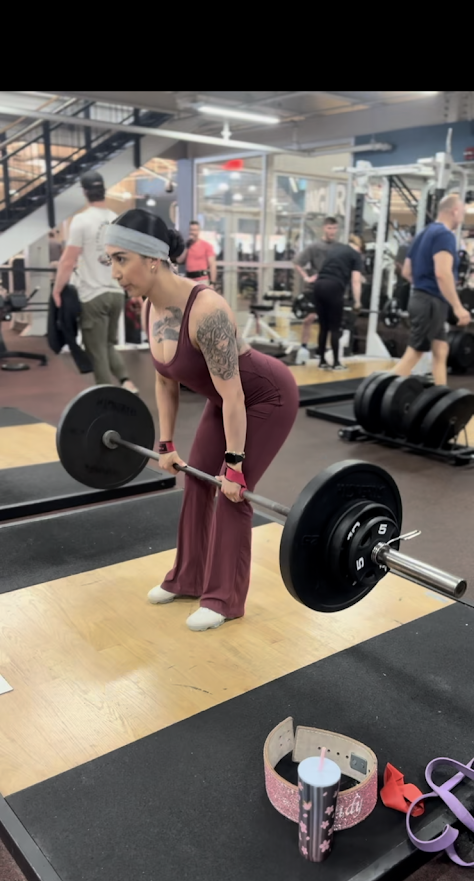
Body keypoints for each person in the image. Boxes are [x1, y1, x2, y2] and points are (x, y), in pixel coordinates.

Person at [105, 210, 299, 632]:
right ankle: (187, 579)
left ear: (152, 259)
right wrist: (166, 443)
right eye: (110, 261)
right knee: (195, 479)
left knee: (232, 493)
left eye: (121, 259)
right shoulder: (149, 307)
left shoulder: (207, 309)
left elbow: (235, 396)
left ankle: (224, 599)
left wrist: (235, 465)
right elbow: (165, 381)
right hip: (224, 399)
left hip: (265, 398)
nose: (115, 272)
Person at [52, 171, 138, 393]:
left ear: (84, 192)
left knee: (96, 350)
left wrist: (57, 290)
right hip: (116, 293)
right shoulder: (116, 219)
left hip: (93, 295)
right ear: (103, 190)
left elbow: (68, 261)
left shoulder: (81, 220)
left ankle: (105, 396)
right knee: (108, 344)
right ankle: (127, 382)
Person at [396, 194, 471, 386]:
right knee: (415, 352)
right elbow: (442, 273)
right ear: (455, 211)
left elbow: (406, 271)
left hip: (422, 298)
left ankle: (440, 393)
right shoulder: (444, 235)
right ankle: (380, 394)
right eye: (462, 212)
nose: (463, 217)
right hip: (430, 302)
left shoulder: (424, 233)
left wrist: (423, 284)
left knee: (441, 349)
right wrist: (457, 307)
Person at [312, 234, 363, 370]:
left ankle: (322, 361)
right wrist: (357, 302)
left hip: (319, 285)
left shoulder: (335, 250)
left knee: (323, 327)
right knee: (335, 327)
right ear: (359, 247)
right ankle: (336, 363)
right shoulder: (355, 255)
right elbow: (356, 281)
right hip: (333, 287)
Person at [293, 217, 339, 348]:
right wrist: (306, 278)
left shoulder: (339, 247)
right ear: (324, 228)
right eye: (329, 228)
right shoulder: (314, 247)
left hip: (332, 288)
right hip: (316, 288)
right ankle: (304, 347)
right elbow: (297, 263)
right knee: (309, 319)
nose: (332, 231)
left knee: (330, 321)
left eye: (334, 228)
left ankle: (325, 349)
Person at [176, 220, 217, 287]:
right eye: (191, 230)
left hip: (202, 280)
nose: (192, 232)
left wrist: (212, 283)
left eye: (195, 230)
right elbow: (179, 260)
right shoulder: (186, 245)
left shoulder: (206, 246)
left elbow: (212, 265)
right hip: (189, 280)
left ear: (198, 231)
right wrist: (186, 247)